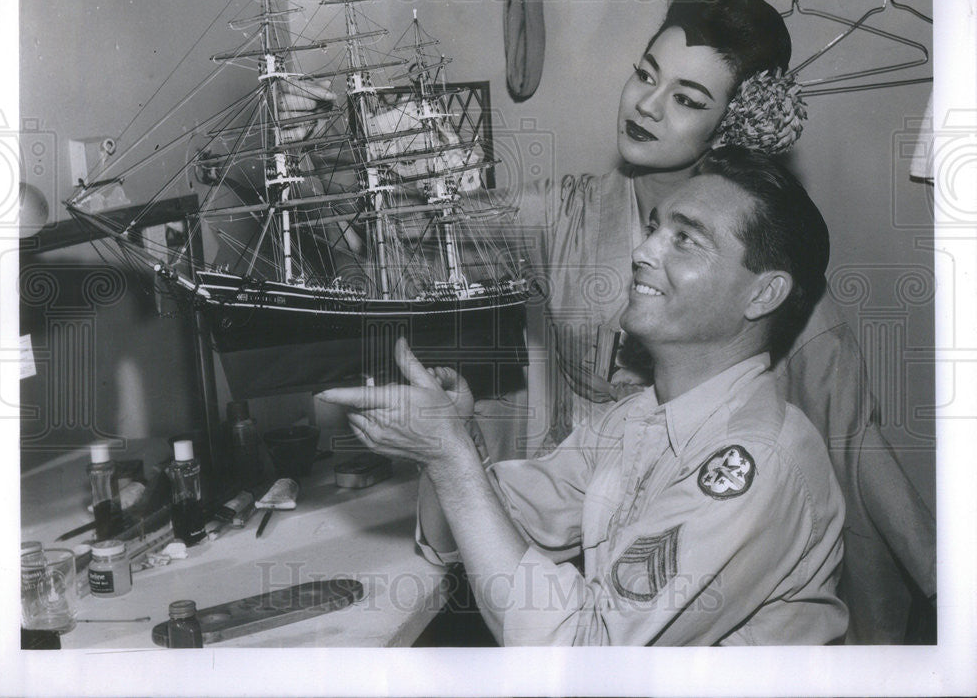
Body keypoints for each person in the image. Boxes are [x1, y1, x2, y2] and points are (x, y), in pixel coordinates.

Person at [463, 0, 934, 644]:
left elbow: (851, 436)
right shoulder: (563, 212)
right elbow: (420, 239)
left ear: (732, 120)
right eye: (645, 75)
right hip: (574, 525)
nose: (648, 106)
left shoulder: (761, 260)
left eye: (686, 98)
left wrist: (940, 581)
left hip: (716, 548)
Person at [320, 148, 847, 645]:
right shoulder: (636, 419)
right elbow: (466, 536)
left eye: (685, 239)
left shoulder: (756, 462)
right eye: (653, 227)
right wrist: (454, 446)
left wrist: (451, 459)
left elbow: (584, 658)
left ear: (763, 293)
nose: (642, 252)